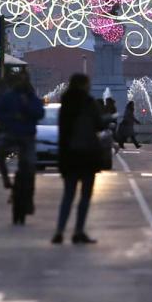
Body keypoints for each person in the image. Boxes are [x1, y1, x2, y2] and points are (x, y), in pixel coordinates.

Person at [53, 74, 105, 245]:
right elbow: (99, 125)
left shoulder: (65, 104)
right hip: (87, 155)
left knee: (68, 195)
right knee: (84, 196)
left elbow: (62, 131)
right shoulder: (90, 103)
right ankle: (78, 231)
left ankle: (59, 231)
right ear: (84, 85)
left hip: (69, 154)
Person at [0, 71, 45, 224]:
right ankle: (5, 179)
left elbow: (39, 112)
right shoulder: (9, 97)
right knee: (0, 153)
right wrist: (12, 118)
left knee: (30, 167)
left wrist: (26, 109)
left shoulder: (31, 97)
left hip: (27, 136)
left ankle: (29, 199)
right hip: (10, 134)